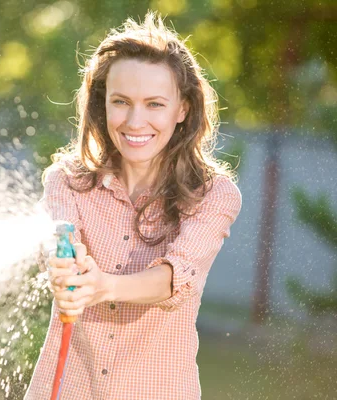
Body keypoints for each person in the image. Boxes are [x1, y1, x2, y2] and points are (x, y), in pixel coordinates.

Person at [25, 11, 242, 400]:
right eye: (121, 101)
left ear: (183, 109)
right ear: (102, 103)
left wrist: (102, 285)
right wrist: (63, 263)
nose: (134, 120)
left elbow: (176, 279)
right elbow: (57, 243)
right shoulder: (67, 182)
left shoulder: (214, 195)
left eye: (155, 104)